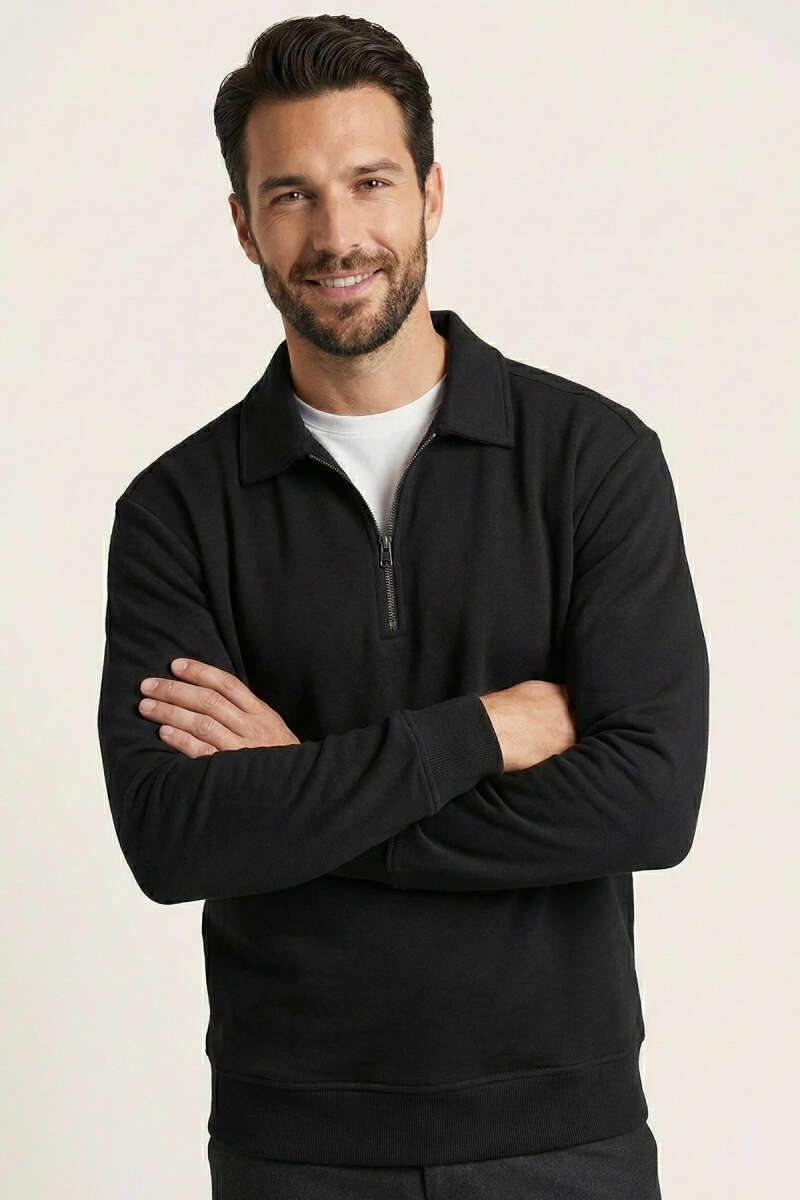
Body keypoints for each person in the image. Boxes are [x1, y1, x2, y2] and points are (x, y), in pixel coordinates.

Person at [97, 14, 709, 1198]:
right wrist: (476, 733)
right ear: (243, 224)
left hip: (560, 1139)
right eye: (290, 195)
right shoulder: (178, 510)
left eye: (369, 183)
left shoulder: (591, 460)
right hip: (295, 1146)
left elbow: (646, 801)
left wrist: (303, 796)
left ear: (430, 193)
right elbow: (174, 837)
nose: (337, 235)